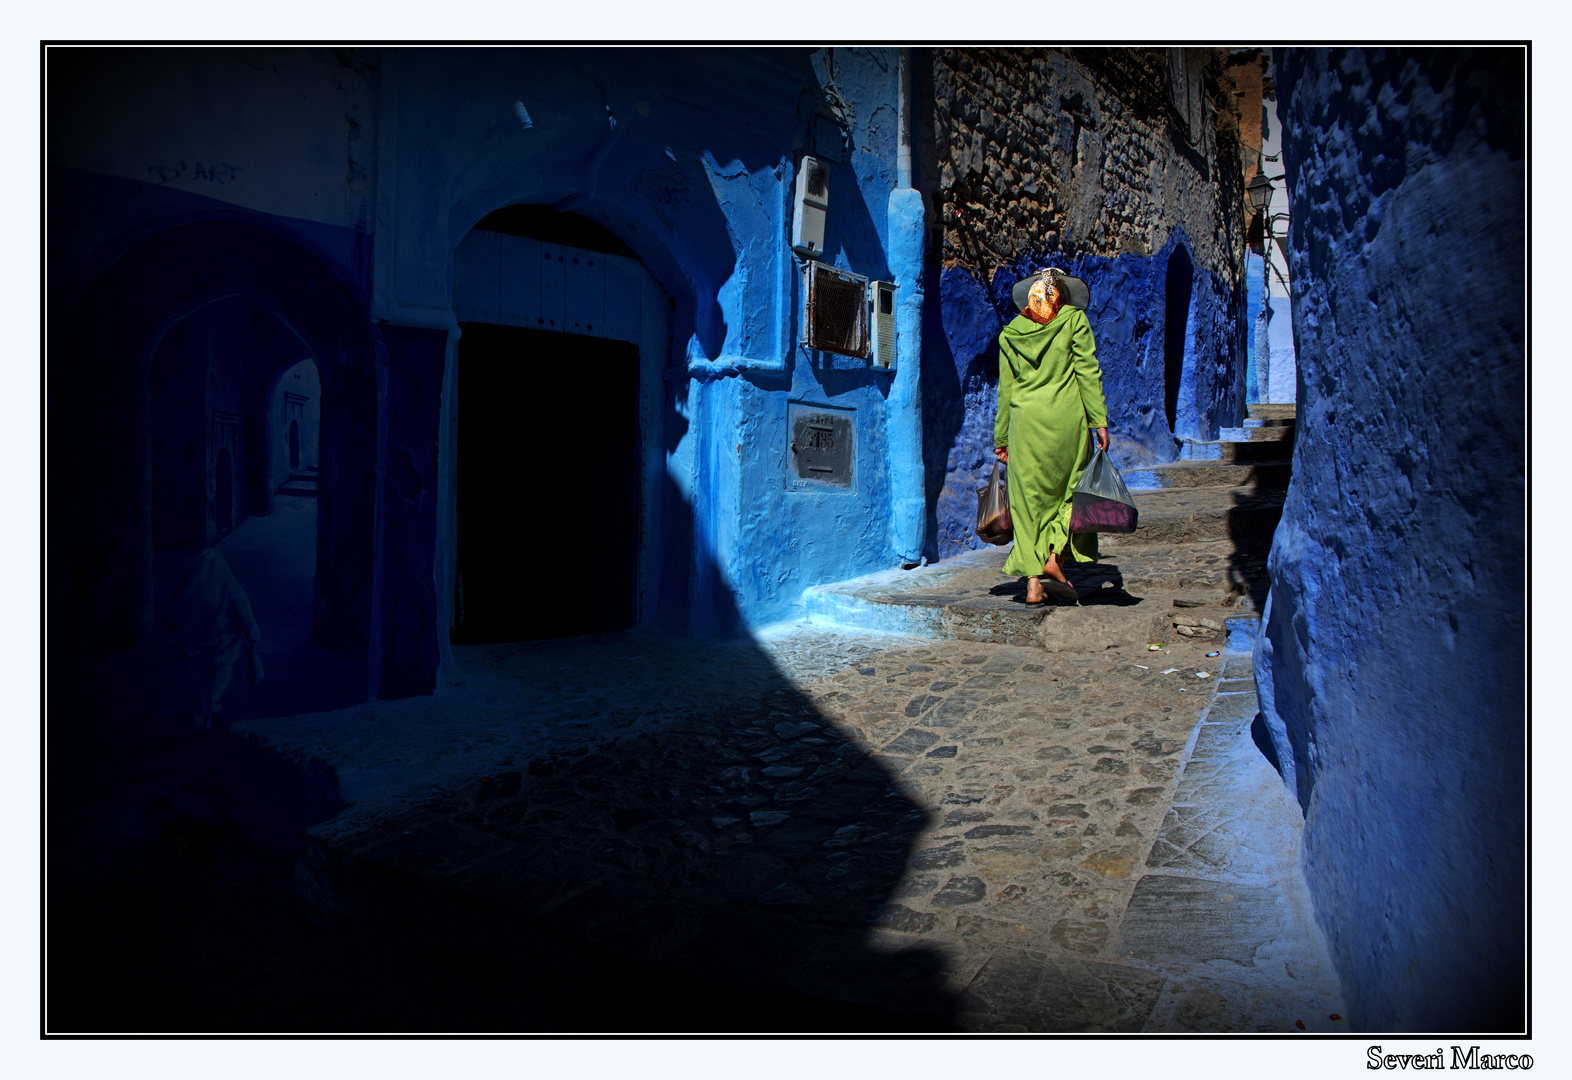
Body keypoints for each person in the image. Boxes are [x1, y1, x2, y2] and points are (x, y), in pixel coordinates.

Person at [994, 268, 1111, 605]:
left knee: (1029, 504)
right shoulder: (1074, 321)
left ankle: (1033, 584)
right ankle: (1053, 558)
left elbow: (1006, 391)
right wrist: (1098, 420)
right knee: (1070, 492)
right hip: (1066, 421)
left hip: (1024, 426)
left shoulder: (1011, 334)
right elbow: (1087, 371)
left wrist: (1001, 438)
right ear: (1060, 296)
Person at [165, 548, 264, 728]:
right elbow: (243, 607)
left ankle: (201, 713)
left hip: (193, 643)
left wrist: (175, 633)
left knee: (197, 677)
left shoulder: (192, 584)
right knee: (219, 674)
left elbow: (174, 610)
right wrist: (253, 636)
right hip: (222, 643)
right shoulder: (228, 581)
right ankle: (212, 706)